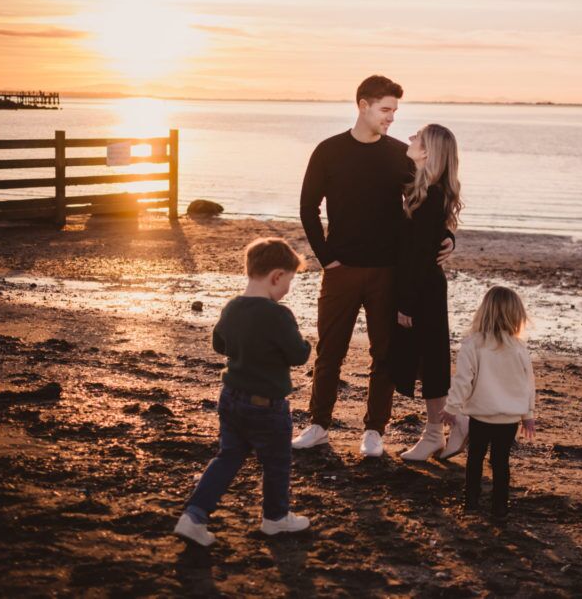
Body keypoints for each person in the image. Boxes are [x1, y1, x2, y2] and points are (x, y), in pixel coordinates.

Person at [293, 75, 453, 457]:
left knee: (385, 353)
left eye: (395, 111)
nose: (391, 118)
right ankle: (318, 425)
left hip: (388, 272)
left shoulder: (401, 154)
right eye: (385, 109)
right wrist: (325, 257)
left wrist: (448, 237)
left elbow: (426, 204)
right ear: (362, 105)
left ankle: (374, 431)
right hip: (341, 269)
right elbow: (307, 207)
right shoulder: (328, 151)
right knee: (330, 351)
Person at [174, 238, 312, 546]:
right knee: (276, 462)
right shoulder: (278, 315)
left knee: (228, 456)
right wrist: (307, 344)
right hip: (267, 406)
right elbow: (297, 355)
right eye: (288, 281)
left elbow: (219, 345)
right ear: (276, 276)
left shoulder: (232, 307)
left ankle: (194, 515)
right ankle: (275, 518)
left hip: (231, 397)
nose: (287, 289)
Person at [391, 124, 469, 461]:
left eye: (416, 138)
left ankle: (442, 430)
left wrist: (406, 302)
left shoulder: (431, 195)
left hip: (423, 289)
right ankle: (440, 431)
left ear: (427, 152)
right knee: (429, 361)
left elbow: (420, 255)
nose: (409, 139)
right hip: (422, 285)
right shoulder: (423, 189)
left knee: (431, 362)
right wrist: (449, 237)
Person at [441, 286, 536, 520]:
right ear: (517, 315)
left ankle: (471, 502)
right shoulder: (519, 348)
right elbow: (528, 384)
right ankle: (500, 507)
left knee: (475, 458)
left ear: (484, 311)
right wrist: (528, 415)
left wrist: (451, 407)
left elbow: (463, 380)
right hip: (509, 419)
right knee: (501, 462)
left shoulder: (473, 344)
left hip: (481, 416)